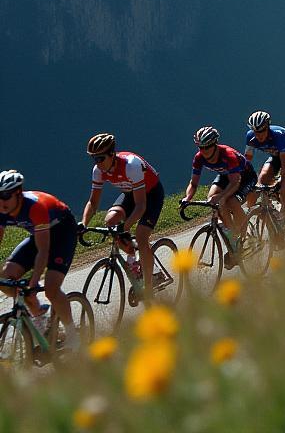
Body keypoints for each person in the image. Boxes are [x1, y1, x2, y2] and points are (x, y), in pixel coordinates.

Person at [0, 171, 78, 351]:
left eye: (5, 195)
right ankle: (40, 317)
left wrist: (34, 282)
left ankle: (73, 336)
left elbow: (43, 251)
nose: (1, 201)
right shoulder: (2, 209)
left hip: (63, 234)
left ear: (18, 194)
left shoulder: (36, 207)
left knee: (51, 287)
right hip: (39, 235)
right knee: (7, 277)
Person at [80, 133, 165, 300]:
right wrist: (83, 224)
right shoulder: (98, 170)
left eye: (100, 158)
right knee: (110, 222)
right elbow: (93, 202)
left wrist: (125, 228)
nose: (97, 163)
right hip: (130, 194)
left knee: (141, 235)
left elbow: (141, 206)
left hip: (151, 195)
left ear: (112, 154)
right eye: (94, 159)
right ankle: (133, 258)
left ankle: (149, 284)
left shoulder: (131, 165)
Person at [182, 128, 256, 253]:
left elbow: (235, 182)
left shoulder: (228, 154)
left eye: (207, 147)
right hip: (225, 175)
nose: (203, 151)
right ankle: (232, 234)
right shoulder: (199, 158)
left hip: (245, 177)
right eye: (200, 147)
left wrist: (222, 196)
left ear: (215, 144)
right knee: (212, 198)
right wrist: (187, 198)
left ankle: (246, 237)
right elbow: (193, 183)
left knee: (230, 201)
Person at [244, 111, 285, 214]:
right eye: (256, 131)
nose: (259, 135)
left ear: (268, 127)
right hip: (275, 156)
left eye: (262, 130)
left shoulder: (279, 135)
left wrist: (283, 183)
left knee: (284, 186)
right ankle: (269, 209)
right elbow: (247, 160)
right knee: (263, 179)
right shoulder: (250, 137)